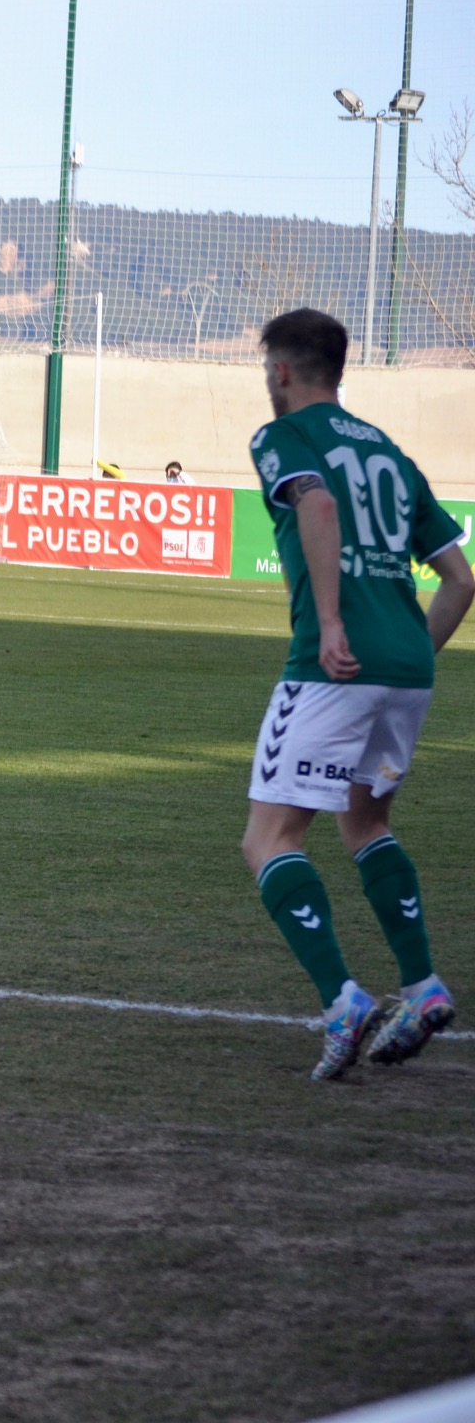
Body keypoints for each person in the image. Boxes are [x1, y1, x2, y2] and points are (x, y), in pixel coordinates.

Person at [238, 307, 471, 1080]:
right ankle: (424, 985)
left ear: (281, 371)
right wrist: (402, 654)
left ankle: (341, 1000)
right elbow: (461, 578)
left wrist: (335, 624)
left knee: (269, 838)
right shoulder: (392, 454)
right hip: (406, 669)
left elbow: (320, 504)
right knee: (365, 821)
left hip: (329, 666)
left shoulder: (283, 438)